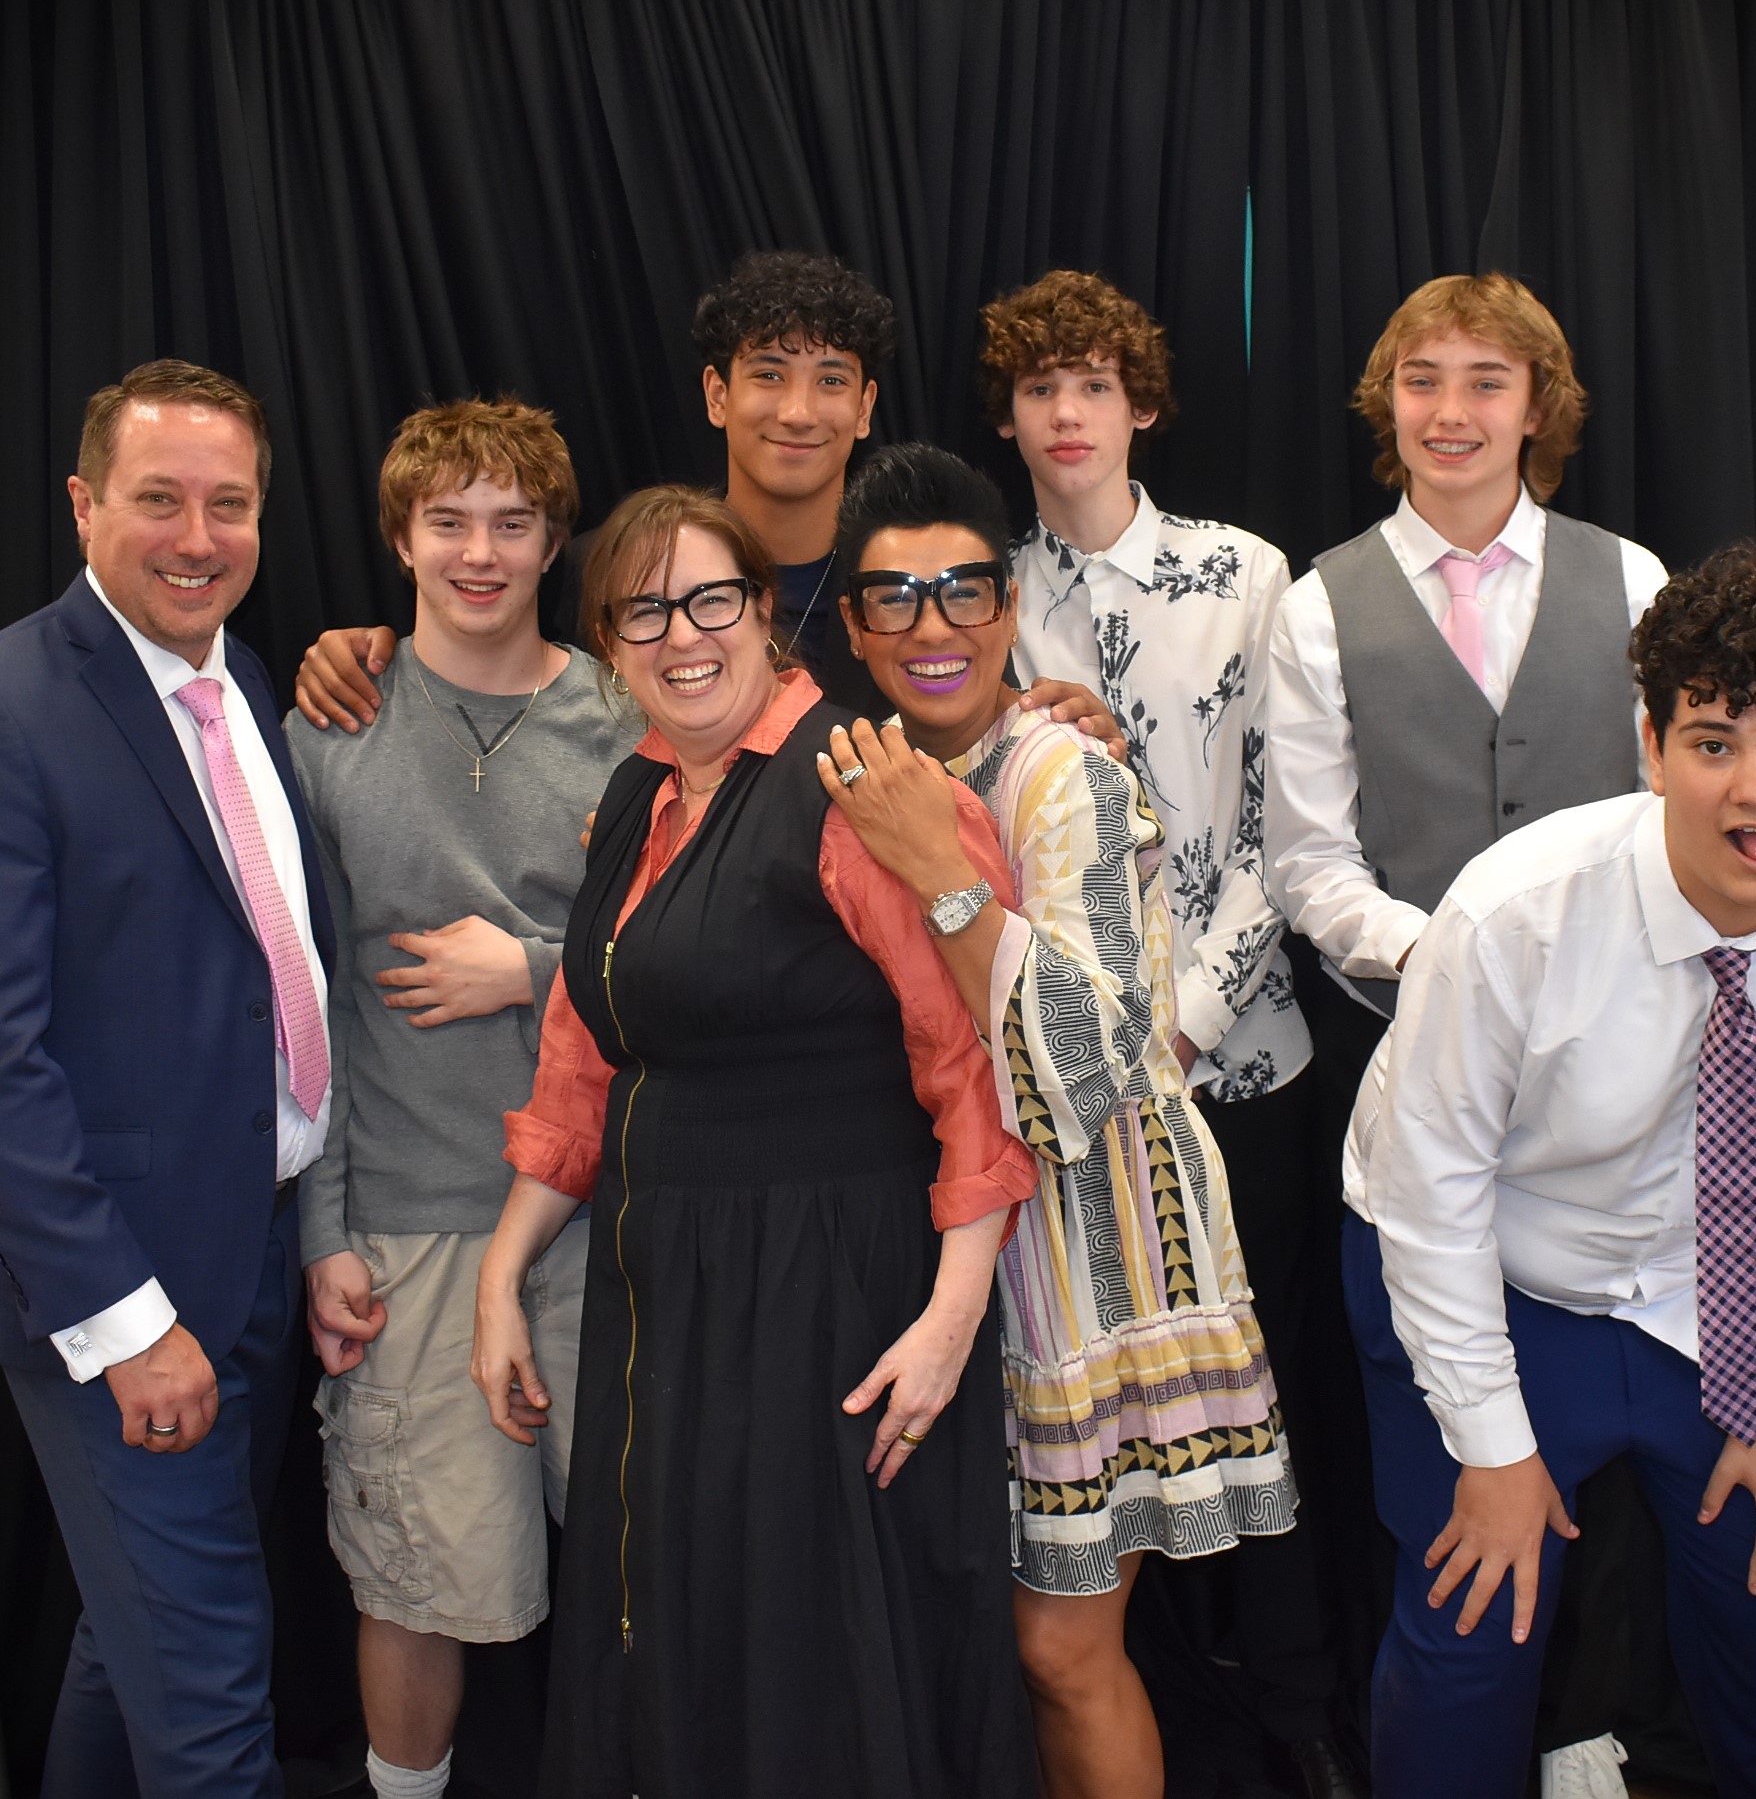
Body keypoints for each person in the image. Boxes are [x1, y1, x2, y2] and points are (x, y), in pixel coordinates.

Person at [469, 485, 1040, 1797]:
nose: (682, 635)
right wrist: (502, 1273)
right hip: (672, 1296)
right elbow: (585, 1055)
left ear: (764, 611)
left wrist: (951, 1318)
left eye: (709, 599)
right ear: (608, 644)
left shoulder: (861, 784)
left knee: (817, 1651)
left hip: (834, 1294)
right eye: (643, 610)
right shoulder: (637, 796)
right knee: (691, 1632)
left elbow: (974, 1066)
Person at [816, 443, 1297, 1799]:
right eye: (896, 597)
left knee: (1061, 1645)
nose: (933, 627)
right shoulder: (859, 766)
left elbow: (1083, 1068)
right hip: (962, 1231)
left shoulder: (1058, 773)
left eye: (963, 590)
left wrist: (942, 873)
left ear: (1008, 603)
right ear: (854, 622)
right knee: (989, 1637)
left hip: (1103, 1245)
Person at [1264, 271, 1672, 1792]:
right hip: (1413, 1076)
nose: (1451, 411)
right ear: (1388, 406)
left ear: (1536, 405)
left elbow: (1675, 810)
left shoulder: (1630, 579)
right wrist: (1461, 962)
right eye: (1422, 380)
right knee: (1446, 1434)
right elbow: (1309, 866)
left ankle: (1589, 1727)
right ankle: (1456, 1730)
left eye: (1485, 381)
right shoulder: (1320, 604)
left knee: (1621, 1401)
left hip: (1616, 1079)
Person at [1343, 542, 1756, 1799]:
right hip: (1486, 1264)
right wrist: (1492, 1445)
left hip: (1710, 1264)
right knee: (1473, 1623)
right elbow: (1431, 1195)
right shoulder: (1514, 913)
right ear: (1650, 746)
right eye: (1713, 742)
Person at [980, 270, 1361, 1797]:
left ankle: (1299, 1704)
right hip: (1060, 1095)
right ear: (1008, 416)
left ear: (1140, 404)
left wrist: (1185, 1023)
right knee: (1105, 1418)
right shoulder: (982, 593)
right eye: (1037, 388)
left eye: (1092, 384)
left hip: (1238, 1063)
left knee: (1265, 1392)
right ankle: (1128, 1702)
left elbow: (1287, 824)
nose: (1065, 413)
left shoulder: (1243, 572)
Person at [283, 399, 639, 1799]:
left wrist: (532, 970)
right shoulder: (328, 728)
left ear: (555, 541)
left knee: (647, 1569)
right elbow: (303, 1009)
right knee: (418, 1578)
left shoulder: (631, 717)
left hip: (608, 1217)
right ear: (400, 538)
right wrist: (324, 1232)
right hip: (409, 1222)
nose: (479, 553)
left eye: (510, 523)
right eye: (448, 522)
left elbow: (699, 953)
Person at [0, 360, 332, 1795]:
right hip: (121, 1291)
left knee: (136, 1634)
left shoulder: (236, 678)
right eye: (159, 500)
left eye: (229, 504)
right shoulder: (17, 702)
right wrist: (129, 1325)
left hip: (252, 1252)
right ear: (83, 506)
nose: (198, 538)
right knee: (209, 1706)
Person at [295, 249, 897, 725]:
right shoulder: (603, 568)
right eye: (768, 374)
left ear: (865, 407)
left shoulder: (910, 583)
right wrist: (372, 659)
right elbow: (499, 660)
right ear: (717, 395)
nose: (797, 412)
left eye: (830, 381)